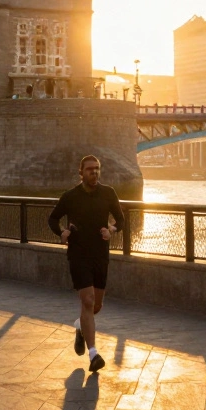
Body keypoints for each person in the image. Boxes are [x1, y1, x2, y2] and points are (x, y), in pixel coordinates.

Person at [48, 155, 125, 373]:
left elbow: (120, 219)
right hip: (78, 254)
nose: (95, 172)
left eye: (97, 169)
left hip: (100, 255)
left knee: (96, 306)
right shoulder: (70, 196)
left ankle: (80, 327)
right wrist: (61, 232)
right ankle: (93, 354)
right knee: (88, 301)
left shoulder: (108, 193)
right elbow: (53, 219)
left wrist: (111, 230)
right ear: (81, 172)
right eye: (90, 169)